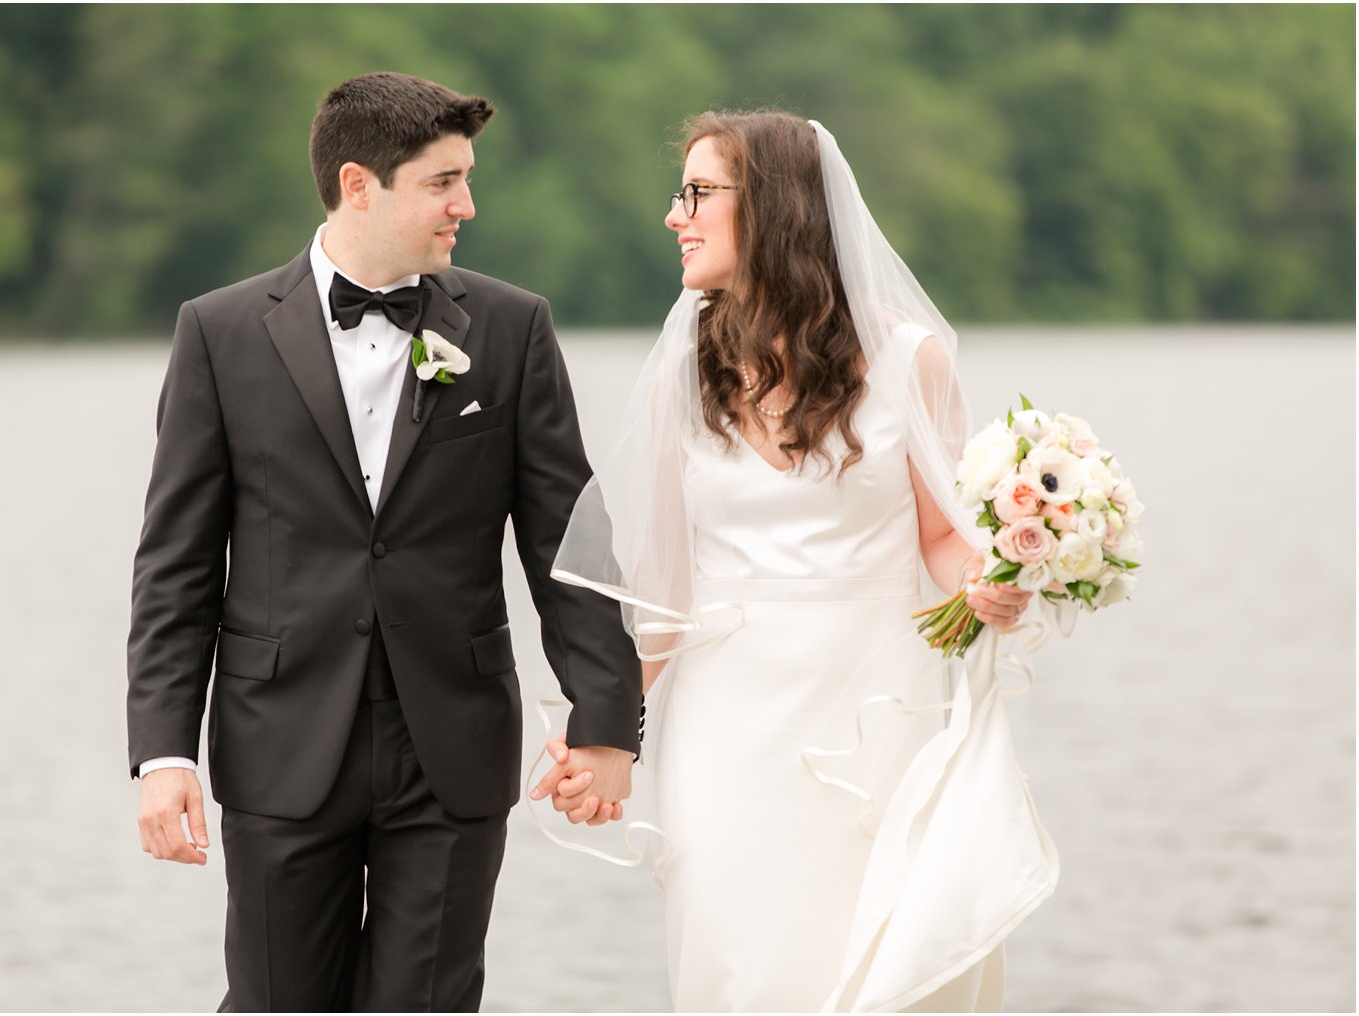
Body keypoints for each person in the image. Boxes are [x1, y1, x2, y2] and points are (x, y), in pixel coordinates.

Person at [125, 71, 641, 1012]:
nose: (467, 206)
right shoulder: (220, 332)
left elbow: (569, 538)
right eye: (444, 182)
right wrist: (164, 755)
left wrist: (607, 721)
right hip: (280, 741)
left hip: (451, 744)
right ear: (360, 184)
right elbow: (177, 566)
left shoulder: (512, 327)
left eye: (467, 179)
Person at [536, 110, 1059, 1011]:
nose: (675, 215)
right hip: (725, 725)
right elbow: (664, 586)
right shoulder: (682, 371)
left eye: (698, 194)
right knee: (739, 965)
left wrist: (987, 581)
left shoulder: (909, 360)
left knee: (863, 964)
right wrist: (603, 733)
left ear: (775, 210)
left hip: (876, 708)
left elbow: (941, 534)